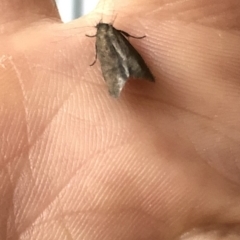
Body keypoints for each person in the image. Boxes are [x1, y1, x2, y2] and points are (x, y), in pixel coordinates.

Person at [1, 0, 240, 239]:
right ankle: (127, 77)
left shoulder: (101, 37)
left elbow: (102, 53)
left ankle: (121, 80)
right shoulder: (109, 34)